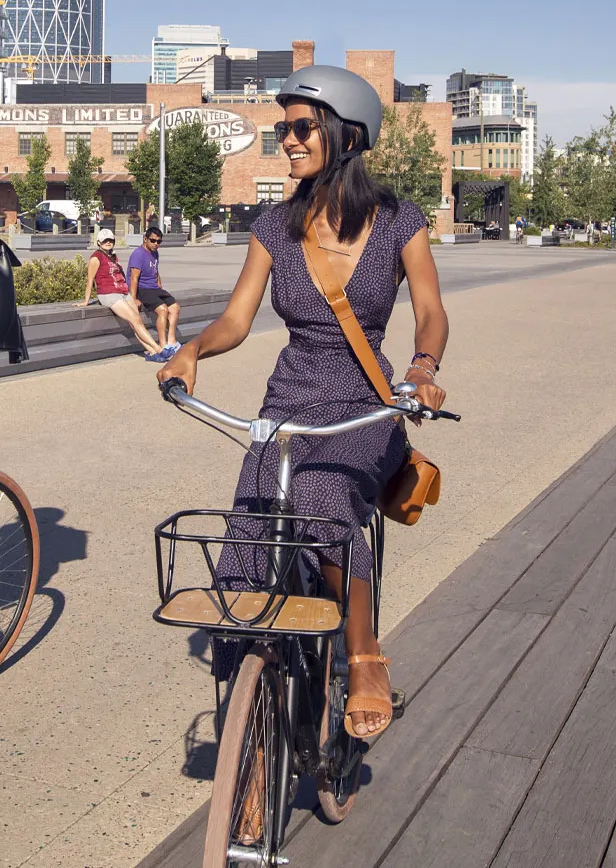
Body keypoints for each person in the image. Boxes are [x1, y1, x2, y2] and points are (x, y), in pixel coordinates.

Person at [158, 64, 448, 740]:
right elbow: (236, 319)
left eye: (299, 127)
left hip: (366, 404)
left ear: (344, 135)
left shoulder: (399, 220)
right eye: (281, 128)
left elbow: (432, 309)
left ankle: (363, 651)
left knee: (319, 500)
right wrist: (193, 350)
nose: (285, 140)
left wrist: (424, 369)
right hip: (289, 399)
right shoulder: (273, 226)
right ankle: (252, 740)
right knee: (251, 532)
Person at [83, 228, 169, 360]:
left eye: (110, 240)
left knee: (136, 321)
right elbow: (90, 281)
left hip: (122, 292)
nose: (108, 242)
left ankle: (152, 352)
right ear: (99, 242)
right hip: (109, 294)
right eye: (105, 240)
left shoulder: (113, 256)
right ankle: (158, 349)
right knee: (135, 320)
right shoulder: (96, 257)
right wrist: (86, 301)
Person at [128, 227, 181, 355]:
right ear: (145, 239)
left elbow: (156, 272)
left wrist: (160, 289)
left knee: (175, 307)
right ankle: (163, 345)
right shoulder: (138, 254)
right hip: (143, 288)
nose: (156, 244)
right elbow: (134, 278)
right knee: (162, 310)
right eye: (153, 241)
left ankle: (171, 341)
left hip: (154, 288)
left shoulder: (154, 252)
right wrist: (133, 298)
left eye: (159, 242)